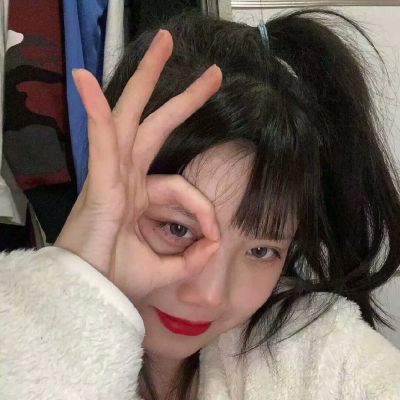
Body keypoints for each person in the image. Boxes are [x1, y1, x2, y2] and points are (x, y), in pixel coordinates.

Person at [1, 8, 400, 400]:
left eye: (262, 250)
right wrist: (73, 286)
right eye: (178, 228)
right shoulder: (15, 335)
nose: (210, 295)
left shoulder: (315, 349)